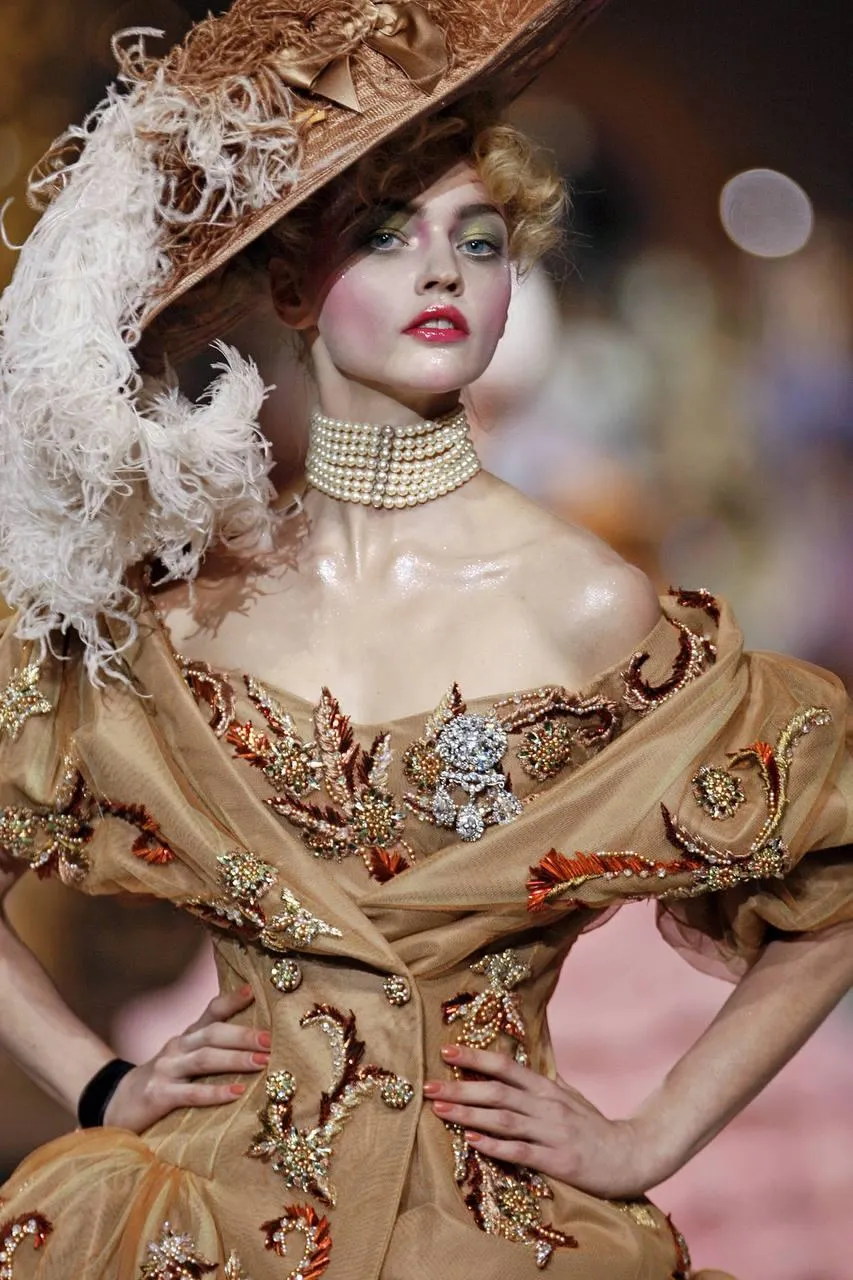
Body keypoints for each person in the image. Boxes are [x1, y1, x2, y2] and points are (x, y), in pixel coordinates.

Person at [0, 1, 851, 1277]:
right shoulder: (179, 618)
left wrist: (649, 1135)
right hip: (204, 1223)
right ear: (291, 283)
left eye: (482, 239)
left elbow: (831, 879)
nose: (444, 270)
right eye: (387, 236)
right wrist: (100, 1079)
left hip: (507, 1237)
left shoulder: (586, 604)